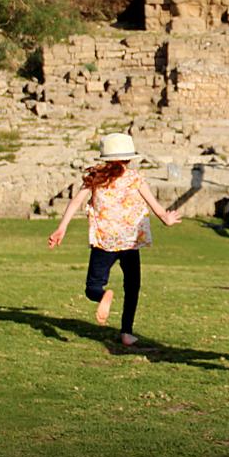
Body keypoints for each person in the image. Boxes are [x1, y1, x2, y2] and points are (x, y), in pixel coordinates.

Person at [48, 133, 182, 346]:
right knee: (132, 286)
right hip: (130, 241)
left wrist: (61, 228)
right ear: (129, 158)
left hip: (105, 242)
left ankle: (103, 296)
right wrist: (167, 218)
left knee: (92, 287)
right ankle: (126, 332)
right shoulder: (135, 178)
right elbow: (157, 208)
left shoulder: (96, 177)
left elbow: (75, 203)